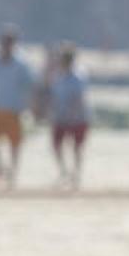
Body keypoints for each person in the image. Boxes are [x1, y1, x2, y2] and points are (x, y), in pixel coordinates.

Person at [0, 26, 35, 187]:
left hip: (13, 108)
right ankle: (0, 165)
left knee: (15, 142)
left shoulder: (21, 63)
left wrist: (30, 105)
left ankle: (13, 172)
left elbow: (30, 84)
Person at [48, 43, 90, 189]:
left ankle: (76, 175)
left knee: (77, 148)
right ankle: (64, 172)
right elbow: (53, 96)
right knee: (56, 145)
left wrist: (71, 113)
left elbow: (78, 99)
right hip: (61, 117)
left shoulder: (78, 76)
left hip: (77, 118)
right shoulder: (57, 76)